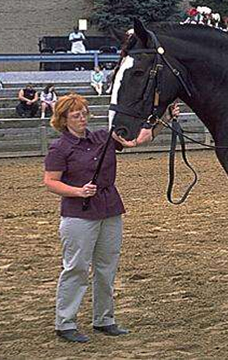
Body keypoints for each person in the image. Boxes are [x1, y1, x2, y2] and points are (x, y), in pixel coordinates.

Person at [44, 93, 179, 343]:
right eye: (76, 115)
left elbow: (137, 140)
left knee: (107, 268)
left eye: (84, 113)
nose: (82, 118)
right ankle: (65, 322)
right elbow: (51, 181)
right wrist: (77, 191)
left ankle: (104, 319)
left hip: (110, 209)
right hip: (78, 215)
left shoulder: (102, 137)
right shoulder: (59, 148)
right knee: (76, 268)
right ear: (63, 119)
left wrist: (165, 119)